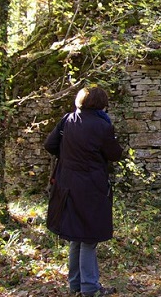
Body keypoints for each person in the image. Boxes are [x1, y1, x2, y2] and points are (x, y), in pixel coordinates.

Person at [44, 86, 123, 296]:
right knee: (88, 236)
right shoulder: (102, 126)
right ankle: (89, 287)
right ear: (101, 104)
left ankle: (75, 284)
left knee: (76, 235)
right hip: (91, 187)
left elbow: (50, 144)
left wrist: (69, 155)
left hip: (67, 184)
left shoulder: (67, 120)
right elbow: (115, 154)